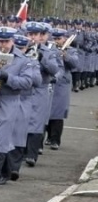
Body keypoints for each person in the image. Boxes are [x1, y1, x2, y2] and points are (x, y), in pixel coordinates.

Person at [0, 27, 35, 188]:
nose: (3, 45)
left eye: (6, 41)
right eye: (0, 41)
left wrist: (7, 77)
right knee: (0, 138)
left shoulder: (23, 59)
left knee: (1, 137)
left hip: (8, 100)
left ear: (12, 41)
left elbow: (27, 82)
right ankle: (6, 170)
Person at [24, 22, 60, 167]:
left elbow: (54, 69)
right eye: (30, 34)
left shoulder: (49, 52)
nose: (32, 37)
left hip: (40, 89)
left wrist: (41, 58)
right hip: (24, 89)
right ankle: (20, 153)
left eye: (35, 35)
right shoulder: (21, 48)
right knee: (23, 121)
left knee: (37, 122)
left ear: (41, 36)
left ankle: (32, 154)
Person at [10, 34, 41, 181]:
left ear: (27, 48)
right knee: (6, 134)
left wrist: (28, 66)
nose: (19, 51)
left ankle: (14, 168)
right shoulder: (6, 58)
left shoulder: (31, 61)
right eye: (17, 47)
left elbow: (37, 81)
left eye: (22, 48)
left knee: (19, 134)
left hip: (24, 99)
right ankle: (3, 168)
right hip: (7, 99)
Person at [47, 28, 79, 150]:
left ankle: (55, 139)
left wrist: (65, 55)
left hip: (62, 84)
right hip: (50, 81)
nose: (56, 41)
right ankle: (48, 137)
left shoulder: (72, 50)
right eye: (54, 38)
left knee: (58, 112)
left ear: (65, 39)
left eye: (59, 39)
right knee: (47, 111)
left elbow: (75, 64)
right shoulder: (49, 49)